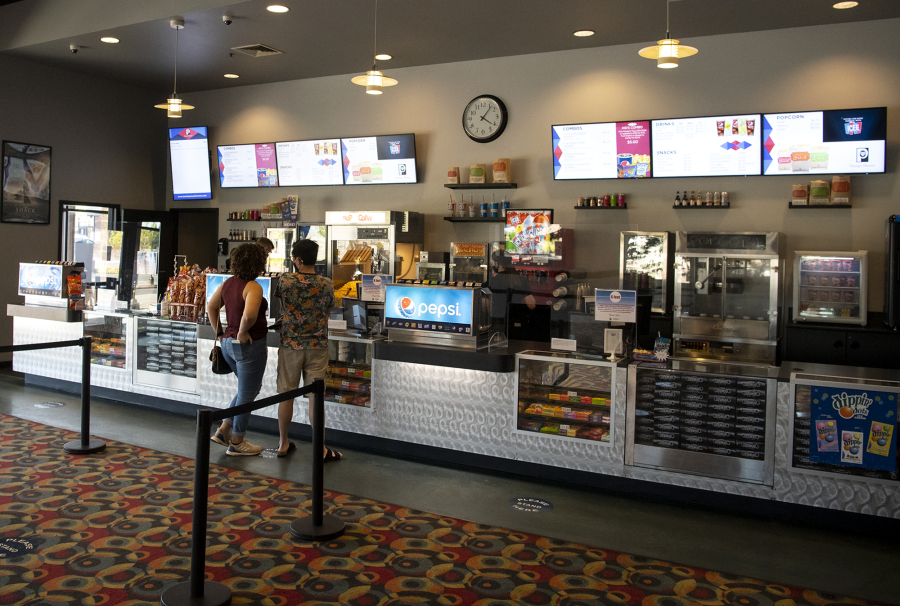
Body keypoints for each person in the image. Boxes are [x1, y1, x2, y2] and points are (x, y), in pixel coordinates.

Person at [274, 239, 341, 461]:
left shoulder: (285, 280)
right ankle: (320, 449)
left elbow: (280, 305)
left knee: (287, 395)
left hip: (290, 345)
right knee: (315, 398)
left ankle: (283, 443)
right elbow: (328, 311)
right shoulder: (326, 283)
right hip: (317, 346)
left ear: (298, 260)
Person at [207, 243, 269, 456]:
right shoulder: (253, 286)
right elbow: (250, 315)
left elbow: (211, 306)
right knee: (247, 393)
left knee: (246, 391)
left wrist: (221, 331)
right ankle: (238, 441)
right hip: (249, 346)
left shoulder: (227, 283)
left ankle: (224, 430)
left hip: (227, 345)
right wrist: (243, 332)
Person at [489, 249, 535, 324]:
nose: (493, 265)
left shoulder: (492, 281)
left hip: (497, 321)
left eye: (493, 262)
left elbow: (487, 307)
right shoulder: (521, 280)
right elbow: (531, 305)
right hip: (515, 320)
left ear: (497, 264)